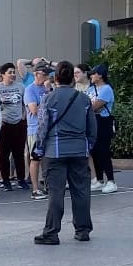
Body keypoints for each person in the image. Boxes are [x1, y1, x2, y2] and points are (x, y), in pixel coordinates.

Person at [33, 60, 97, 245]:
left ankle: (51, 232)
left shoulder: (48, 98)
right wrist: (87, 145)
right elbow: (92, 128)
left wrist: (39, 148)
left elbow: (43, 126)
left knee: (56, 192)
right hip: (79, 150)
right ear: (71, 78)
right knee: (81, 191)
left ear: (56, 78)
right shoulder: (83, 99)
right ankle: (83, 229)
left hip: (55, 151)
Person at [0, 62, 29, 190]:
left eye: (13, 72)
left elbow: (24, 104)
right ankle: (5, 181)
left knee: (19, 153)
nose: (12, 74)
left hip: (19, 124)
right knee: (3, 155)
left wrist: (23, 117)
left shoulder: (21, 87)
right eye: (9, 72)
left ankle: (21, 179)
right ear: (2, 74)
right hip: (3, 125)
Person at [87, 64, 117, 194]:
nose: (91, 76)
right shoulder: (91, 88)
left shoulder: (106, 89)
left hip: (104, 121)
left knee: (103, 151)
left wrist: (90, 106)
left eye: (94, 73)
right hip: (93, 121)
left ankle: (111, 181)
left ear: (100, 75)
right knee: (94, 151)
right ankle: (99, 180)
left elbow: (94, 106)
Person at [24, 64, 53, 198]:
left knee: (48, 159)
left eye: (48, 74)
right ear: (36, 74)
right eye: (44, 74)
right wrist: (47, 94)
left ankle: (48, 185)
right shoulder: (30, 90)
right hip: (35, 129)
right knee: (35, 158)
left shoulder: (48, 89)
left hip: (48, 128)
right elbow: (34, 110)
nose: (47, 77)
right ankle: (35, 189)